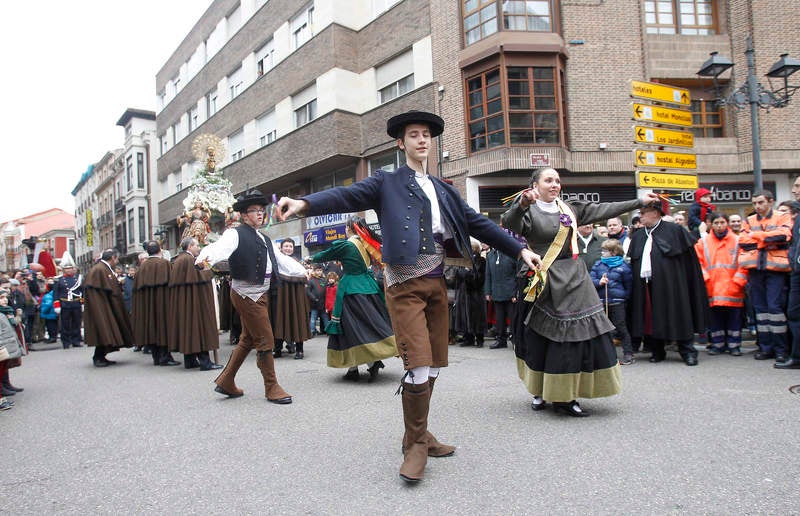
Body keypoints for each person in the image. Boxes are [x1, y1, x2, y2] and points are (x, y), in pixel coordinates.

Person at [277, 110, 539, 483]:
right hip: (403, 283)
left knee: (432, 365)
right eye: (413, 135)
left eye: (425, 135)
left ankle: (419, 434)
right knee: (416, 363)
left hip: (436, 283)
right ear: (401, 143)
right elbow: (346, 195)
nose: (421, 140)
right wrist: (304, 204)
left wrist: (518, 250)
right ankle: (415, 446)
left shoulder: (445, 188)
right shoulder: (387, 181)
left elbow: (478, 223)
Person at [503, 167, 652, 417]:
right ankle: (540, 390)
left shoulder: (570, 209)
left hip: (575, 279)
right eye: (548, 180)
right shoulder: (528, 210)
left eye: (558, 181)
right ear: (535, 185)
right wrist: (521, 205)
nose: (555, 185)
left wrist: (640, 202)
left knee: (578, 337)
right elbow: (510, 223)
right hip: (544, 278)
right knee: (542, 338)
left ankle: (567, 394)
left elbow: (607, 209)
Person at [196, 190, 304, 404]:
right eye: (254, 211)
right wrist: (204, 259)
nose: (260, 214)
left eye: (261, 211)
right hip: (246, 294)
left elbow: (280, 260)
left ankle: (226, 380)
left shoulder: (264, 238)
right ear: (244, 215)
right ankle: (271, 386)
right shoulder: (235, 233)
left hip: (260, 293)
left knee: (247, 339)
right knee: (265, 339)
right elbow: (219, 248)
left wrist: (301, 271)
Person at [306, 216, 397, 382]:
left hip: (351, 290)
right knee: (366, 325)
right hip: (368, 288)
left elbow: (326, 254)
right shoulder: (365, 245)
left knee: (352, 327)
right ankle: (353, 368)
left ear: (349, 228)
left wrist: (311, 259)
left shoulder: (347, 245)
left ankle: (370, 364)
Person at [628, 200, 708, 366]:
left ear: (656, 213)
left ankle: (687, 351)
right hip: (647, 285)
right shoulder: (638, 236)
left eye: (643, 213)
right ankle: (657, 350)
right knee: (651, 317)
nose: (640, 216)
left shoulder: (674, 230)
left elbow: (688, 262)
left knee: (678, 313)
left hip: (673, 285)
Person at [738, 190, 792, 362]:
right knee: (760, 310)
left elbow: (783, 237)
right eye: (754, 203)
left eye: (760, 202)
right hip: (755, 270)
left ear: (771, 201)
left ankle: (781, 349)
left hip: (775, 270)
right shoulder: (749, 219)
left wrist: (757, 237)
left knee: (774, 309)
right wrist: (767, 240)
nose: (757, 206)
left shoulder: (782, 216)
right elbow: (743, 242)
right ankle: (765, 347)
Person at [694, 213, 749, 356]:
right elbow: (697, 263)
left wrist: (738, 281)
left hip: (733, 288)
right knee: (715, 319)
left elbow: (744, 263)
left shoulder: (738, 241)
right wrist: (705, 279)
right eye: (716, 223)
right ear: (711, 224)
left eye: (722, 222)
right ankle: (717, 344)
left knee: (734, 319)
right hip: (712, 287)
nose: (719, 226)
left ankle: (734, 345)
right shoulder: (703, 243)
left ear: (727, 223)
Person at [169, 237, 222, 371]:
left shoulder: (180, 260)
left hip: (186, 302)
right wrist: (211, 270)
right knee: (198, 328)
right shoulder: (188, 260)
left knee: (189, 328)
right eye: (196, 245)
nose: (198, 247)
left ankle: (190, 360)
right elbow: (198, 277)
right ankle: (205, 363)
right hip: (193, 302)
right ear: (189, 247)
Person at [132, 241, 180, 367]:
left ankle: (156, 357)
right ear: (160, 250)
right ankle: (165, 357)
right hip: (163, 302)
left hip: (147, 305)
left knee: (152, 327)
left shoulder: (142, 267)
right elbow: (173, 283)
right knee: (163, 327)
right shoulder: (164, 264)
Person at [84, 249, 134, 367]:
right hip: (101, 307)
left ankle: (101, 355)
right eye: (116, 259)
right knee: (103, 330)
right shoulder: (99, 269)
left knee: (106, 331)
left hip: (105, 305)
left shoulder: (102, 268)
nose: (117, 262)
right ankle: (98, 357)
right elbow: (96, 291)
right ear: (112, 258)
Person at [590, 239, 634, 365]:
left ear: (614, 252)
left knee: (620, 327)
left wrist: (623, 297)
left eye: (605, 251)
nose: (602, 253)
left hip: (617, 302)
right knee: (602, 328)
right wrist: (599, 282)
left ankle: (628, 353)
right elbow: (591, 279)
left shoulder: (624, 266)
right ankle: (604, 355)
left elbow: (628, 285)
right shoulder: (598, 265)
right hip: (601, 301)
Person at [272, 238, 310, 359]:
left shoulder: (297, 263)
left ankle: (299, 350)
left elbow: (305, 276)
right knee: (280, 320)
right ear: (281, 248)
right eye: (286, 246)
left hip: (296, 295)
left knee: (297, 320)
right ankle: (277, 349)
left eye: (290, 246)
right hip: (282, 294)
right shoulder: (277, 261)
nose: (288, 248)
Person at [779, 178, 800, 369]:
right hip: (797, 273)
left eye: (798, 186)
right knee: (794, 314)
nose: (794, 190)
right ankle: (797, 356)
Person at [454, 239, 487, 348]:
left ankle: (480, 339)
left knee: (477, 316)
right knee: (464, 316)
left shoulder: (480, 261)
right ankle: (468, 338)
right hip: (463, 293)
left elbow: (478, 278)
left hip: (475, 294)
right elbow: (457, 275)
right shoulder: (463, 261)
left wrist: (465, 274)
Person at [484, 244, 518, 349]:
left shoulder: (511, 254)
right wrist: (488, 292)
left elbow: (518, 274)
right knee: (499, 319)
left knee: (513, 319)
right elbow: (488, 274)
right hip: (496, 292)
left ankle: (515, 340)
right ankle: (501, 340)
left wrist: (515, 293)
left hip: (510, 292)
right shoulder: (490, 255)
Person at [52, 251, 83, 349]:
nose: (69, 270)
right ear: (63, 270)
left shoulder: (78, 278)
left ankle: (76, 340)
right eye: (67, 268)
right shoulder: (58, 279)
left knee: (76, 323)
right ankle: (66, 342)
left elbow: (82, 291)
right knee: (65, 324)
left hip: (76, 303)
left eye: (70, 268)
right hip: (65, 304)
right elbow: (55, 293)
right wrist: (57, 306)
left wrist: (82, 303)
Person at [306, 264, 328, 338]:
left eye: (320, 270)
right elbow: (308, 291)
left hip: (323, 302)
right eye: (317, 270)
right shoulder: (311, 280)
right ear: (314, 271)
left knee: (325, 318)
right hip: (314, 303)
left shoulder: (324, 280)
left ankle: (328, 331)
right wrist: (314, 298)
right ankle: (312, 331)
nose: (319, 272)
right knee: (313, 318)